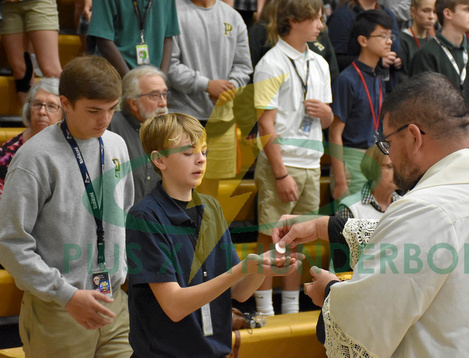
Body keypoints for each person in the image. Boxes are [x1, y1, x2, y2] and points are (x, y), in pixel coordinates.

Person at [273, 72, 469, 357]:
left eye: (387, 143)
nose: (389, 155)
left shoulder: (426, 208)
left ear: (413, 136)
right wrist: (325, 226)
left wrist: (329, 293)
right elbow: (443, 246)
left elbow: (360, 331)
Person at [126, 112, 301, 357]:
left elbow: (238, 292)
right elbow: (175, 306)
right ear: (159, 160)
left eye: (204, 151)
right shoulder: (145, 217)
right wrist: (241, 269)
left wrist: (261, 268)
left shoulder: (211, 207)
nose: (200, 160)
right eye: (188, 152)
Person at [0, 56, 134, 356]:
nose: (105, 119)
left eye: (112, 109)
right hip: (59, 309)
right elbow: (10, 243)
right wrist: (67, 295)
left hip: (112, 301)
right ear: (66, 103)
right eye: (94, 110)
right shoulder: (34, 158)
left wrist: (120, 270)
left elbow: (123, 215)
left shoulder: (116, 145)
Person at [253, 0, 333, 316]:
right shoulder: (271, 63)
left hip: (311, 162)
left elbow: (326, 121)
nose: (321, 25)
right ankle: (262, 308)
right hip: (282, 163)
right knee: (268, 238)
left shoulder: (321, 63)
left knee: (297, 239)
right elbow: (265, 124)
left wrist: (327, 114)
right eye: (314, 18)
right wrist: (281, 173)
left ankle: (289, 308)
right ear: (293, 20)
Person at [168, 0, 253, 198]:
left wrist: (229, 88)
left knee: (211, 194)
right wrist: (206, 84)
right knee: (179, 190)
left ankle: (208, 230)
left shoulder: (233, 17)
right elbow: (169, 66)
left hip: (221, 119)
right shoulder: (174, 14)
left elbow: (243, 66)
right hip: (184, 116)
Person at [330, 10, 393, 200]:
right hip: (352, 160)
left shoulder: (378, 77)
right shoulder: (347, 79)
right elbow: (334, 132)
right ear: (363, 41)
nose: (389, 41)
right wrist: (341, 182)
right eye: (382, 36)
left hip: (375, 157)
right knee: (351, 226)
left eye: (390, 36)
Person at [411, 0, 469, 149]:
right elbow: (426, 106)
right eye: (467, 10)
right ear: (448, 13)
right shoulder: (428, 54)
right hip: (441, 144)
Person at [108, 66, 167, 203]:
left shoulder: (171, 130)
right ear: (133, 103)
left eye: (164, 94)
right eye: (154, 96)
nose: (163, 103)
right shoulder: (111, 126)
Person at [0, 78, 63, 198]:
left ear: (64, 113)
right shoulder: (8, 152)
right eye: (38, 104)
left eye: (51, 106)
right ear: (29, 109)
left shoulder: (71, 148)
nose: (42, 111)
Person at [87, 0, 180, 77]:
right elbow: (104, 41)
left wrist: (161, 80)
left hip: (153, 79)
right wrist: (131, 82)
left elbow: (168, 37)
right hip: (116, 78)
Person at [327, 0, 402, 90]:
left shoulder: (388, 13)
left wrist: (398, 60)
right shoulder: (342, 16)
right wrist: (376, 61)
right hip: (356, 87)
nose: (388, 41)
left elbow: (397, 49)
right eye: (383, 36)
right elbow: (335, 61)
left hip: (386, 86)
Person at [0, 0, 62, 105]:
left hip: (39, 3)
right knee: (21, 72)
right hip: (8, 6)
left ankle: (64, 118)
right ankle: (30, 119)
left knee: (51, 70)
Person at [336, 145, 400, 220]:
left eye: (399, 166)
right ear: (373, 168)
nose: (397, 173)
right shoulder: (350, 207)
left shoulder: (405, 204)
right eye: (390, 167)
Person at [399, 0, 437, 80]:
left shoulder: (433, 42)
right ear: (413, 11)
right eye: (425, 11)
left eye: (435, 12)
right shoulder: (402, 40)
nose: (431, 16)